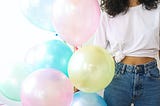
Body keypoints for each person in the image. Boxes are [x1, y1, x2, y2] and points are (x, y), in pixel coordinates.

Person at [93, 0, 160, 106]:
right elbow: (96, 52)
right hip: (118, 77)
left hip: (151, 78)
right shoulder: (108, 13)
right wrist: (82, 81)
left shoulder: (157, 10)